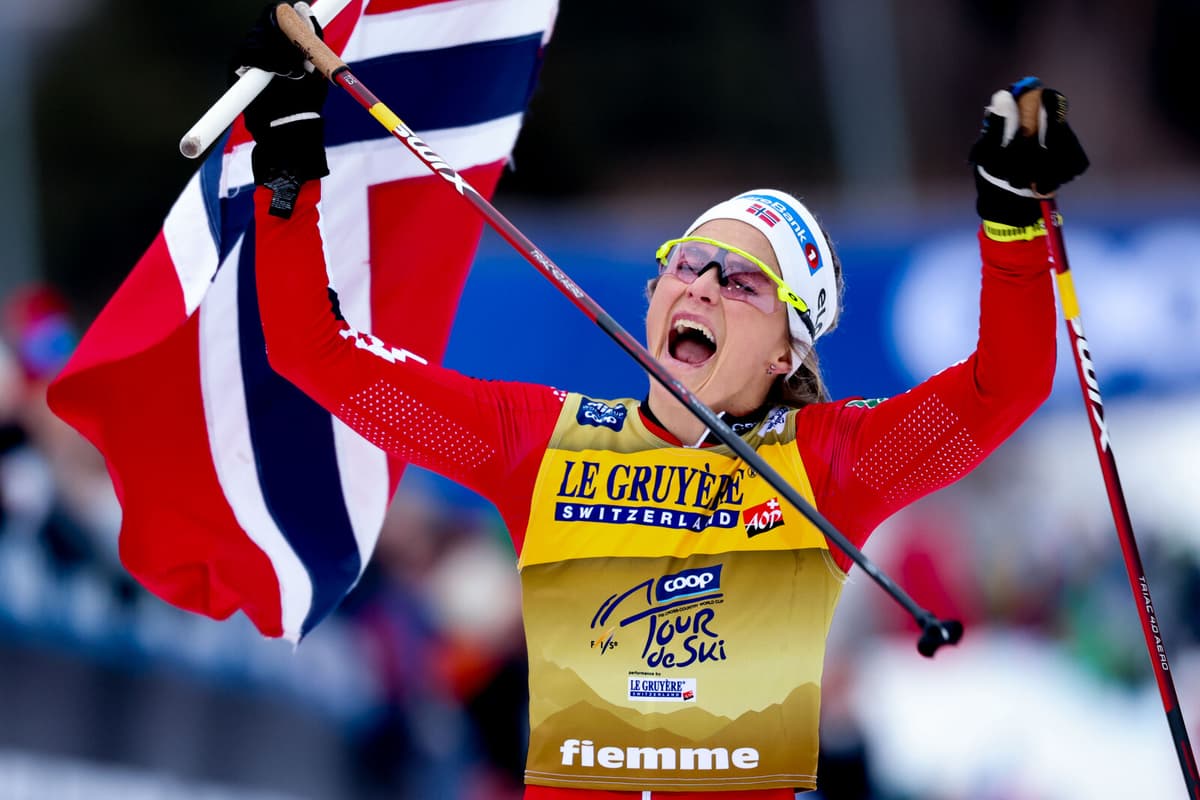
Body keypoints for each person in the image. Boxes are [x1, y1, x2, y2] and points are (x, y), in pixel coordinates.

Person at [235, 5, 1088, 797]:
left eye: (746, 283)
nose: (705, 288)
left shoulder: (828, 461)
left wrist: (1010, 217)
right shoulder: (540, 443)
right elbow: (316, 353)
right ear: (651, 299)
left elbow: (1003, 387)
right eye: (688, 263)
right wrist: (286, 167)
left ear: (789, 351)